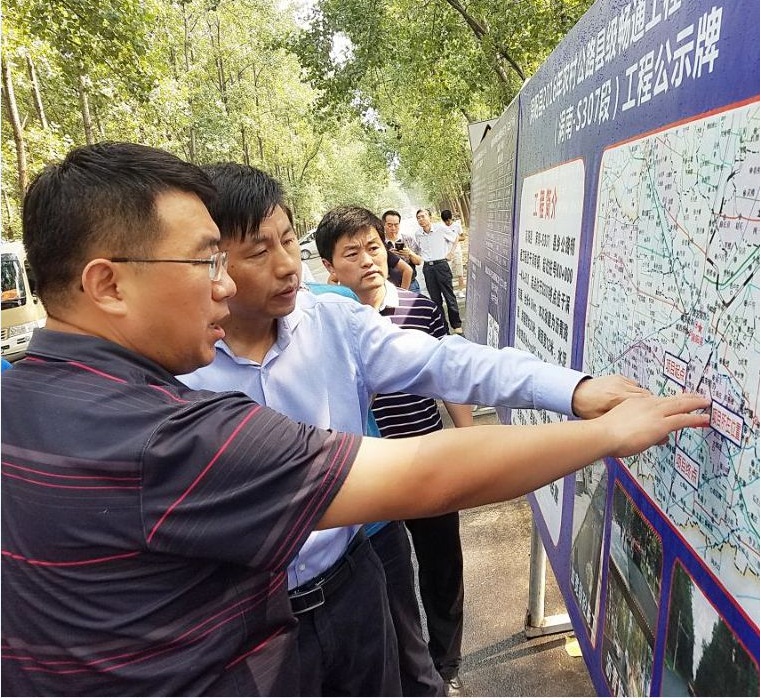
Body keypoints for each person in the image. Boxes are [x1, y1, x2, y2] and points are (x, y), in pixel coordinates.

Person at [1, 142, 710, 697]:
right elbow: (426, 475)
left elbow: (450, 363)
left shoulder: (26, 400)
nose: (228, 281)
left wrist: (572, 390)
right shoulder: (168, 433)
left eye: (285, 243)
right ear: (108, 282)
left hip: (343, 587)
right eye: (209, 261)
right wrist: (605, 434)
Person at [316, 205, 474, 694]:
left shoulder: (419, 308)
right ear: (328, 266)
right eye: (352, 253)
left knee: (442, 568)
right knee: (387, 579)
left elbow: (450, 372)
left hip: (428, 464)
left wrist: (466, 440)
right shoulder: (320, 326)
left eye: (373, 247)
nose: (368, 260)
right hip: (367, 477)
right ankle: (411, 672)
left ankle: (446, 665)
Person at [413, 208, 462, 334]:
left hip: (441, 265)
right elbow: (419, 250)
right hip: (428, 268)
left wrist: (451, 253)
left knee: (449, 296)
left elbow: (456, 237)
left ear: (429, 217)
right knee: (435, 300)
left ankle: (456, 325)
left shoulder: (440, 228)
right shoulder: (418, 234)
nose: (421, 219)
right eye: (418, 217)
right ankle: (443, 328)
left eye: (423, 216)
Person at [383, 209, 422, 292]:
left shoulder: (407, 239)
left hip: (411, 285)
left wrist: (410, 253)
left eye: (396, 225)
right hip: (390, 287)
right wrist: (388, 256)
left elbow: (419, 261)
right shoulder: (380, 242)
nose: (393, 228)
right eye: (390, 225)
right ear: (384, 224)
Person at [441, 209, 466, 298]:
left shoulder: (457, 225)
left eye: (449, 220)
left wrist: (455, 238)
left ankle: (460, 291)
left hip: (457, 252)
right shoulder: (441, 228)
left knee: (460, 272)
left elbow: (463, 237)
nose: (447, 223)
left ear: (451, 218)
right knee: (447, 274)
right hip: (446, 253)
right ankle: (449, 292)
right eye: (445, 221)